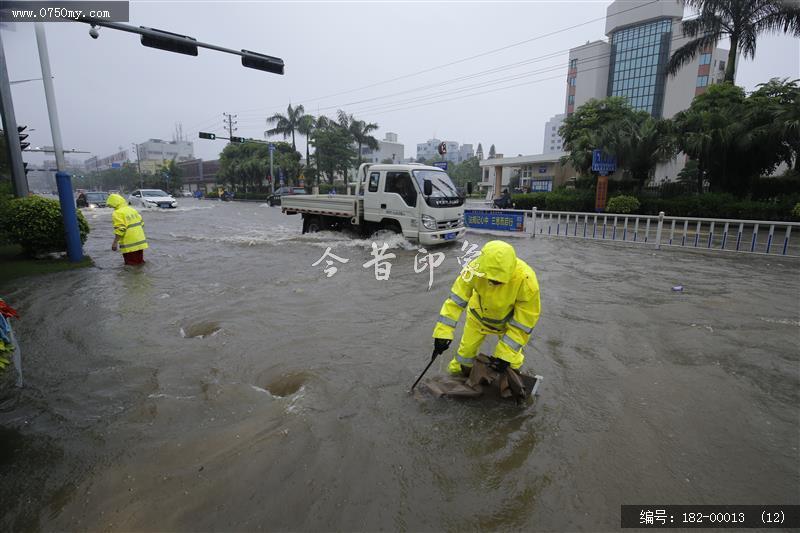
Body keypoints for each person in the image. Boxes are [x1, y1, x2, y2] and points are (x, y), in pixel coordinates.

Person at [432, 240, 540, 376]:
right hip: (477, 319)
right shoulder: (473, 269)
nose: (494, 282)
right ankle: (455, 379)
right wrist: (443, 333)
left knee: (511, 364)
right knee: (463, 358)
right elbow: (455, 302)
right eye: (490, 278)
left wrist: (505, 354)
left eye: (499, 281)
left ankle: (513, 380)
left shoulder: (526, 279)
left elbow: (524, 322)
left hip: (507, 324)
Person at [106, 193, 148, 265]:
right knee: (140, 263)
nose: (111, 208)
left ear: (114, 204)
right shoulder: (132, 209)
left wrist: (115, 243)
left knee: (131, 266)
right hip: (140, 241)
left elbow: (120, 229)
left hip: (129, 244)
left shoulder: (117, 213)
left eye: (111, 206)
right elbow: (142, 224)